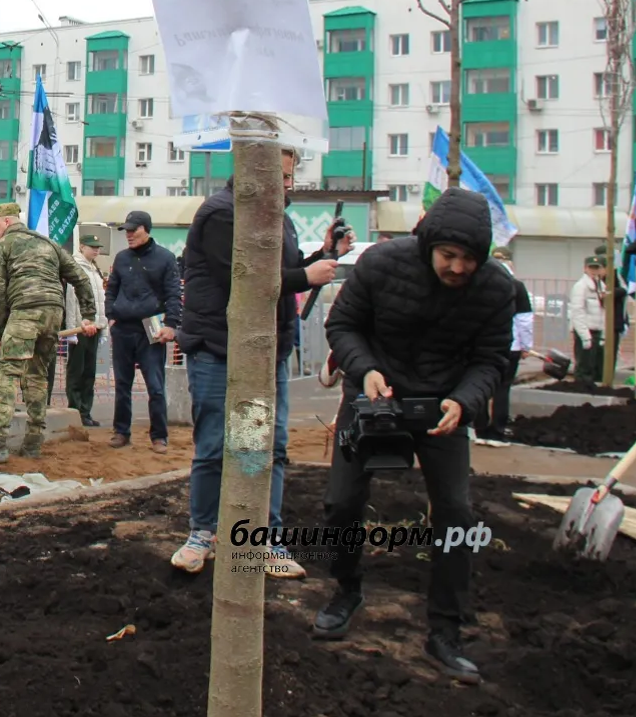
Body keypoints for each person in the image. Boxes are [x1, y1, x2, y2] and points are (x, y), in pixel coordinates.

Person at [313, 188, 514, 684]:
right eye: (449, 255)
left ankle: (446, 629)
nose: (458, 267)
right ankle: (346, 590)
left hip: (443, 408)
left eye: (469, 258)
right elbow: (343, 325)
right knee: (342, 502)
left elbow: (491, 360)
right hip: (374, 396)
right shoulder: (382, 264)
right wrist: (366, 370)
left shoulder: (495, 288)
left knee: (456, 513)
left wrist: (464, 401)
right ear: (428, 244)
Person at [170, 150, 349, 578]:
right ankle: (203, 532)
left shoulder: (278, 217)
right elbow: (244, 277)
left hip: (267, 351)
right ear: (252, 170)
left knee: (263, 447)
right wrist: (304, 277)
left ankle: (260, 537)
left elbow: (282, 273)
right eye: (280, 176)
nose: (288, 185)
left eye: (290, 176)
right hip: (220, 348)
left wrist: (321, 254)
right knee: (216, 445)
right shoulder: (222, 214)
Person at [0, 202, 97, 464]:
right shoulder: (49, 244)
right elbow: (80, 279)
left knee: (5, 376)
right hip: (53, 314)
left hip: (25, 312)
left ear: (6, 221)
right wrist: (89, 315)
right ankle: (33, 443)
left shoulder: (1, 247)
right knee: (37, 376)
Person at [104, 211, 182, 452]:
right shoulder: (121, 258)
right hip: (123, 327)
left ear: (146, 229)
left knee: (155, 385)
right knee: (122, 384)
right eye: (126, 230)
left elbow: (173, 293)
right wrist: (111, 315)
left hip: (152, 326)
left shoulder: (165, 258)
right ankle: (121, 432)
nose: (129, 235)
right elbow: (112, 289)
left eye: (133, 230)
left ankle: (159, 436)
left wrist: (171, 324)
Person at [475, 245, 531, 440]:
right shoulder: (517, 286)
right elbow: (524, 320)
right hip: (510, 345)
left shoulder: (478, 284)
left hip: (481, 344)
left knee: (479, 384)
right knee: (502, 388)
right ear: (510, 263)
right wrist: (526, 345)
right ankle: (497, 431)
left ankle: (480, 429)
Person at [64, 233, 106, 427]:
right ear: (81, 247)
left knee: (89, 371)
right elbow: (71, 300)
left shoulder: (95, 269)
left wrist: (102, 325)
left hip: (94, 327)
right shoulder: (75, 267)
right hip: (81, 327)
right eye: (92, 247)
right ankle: (75, 409)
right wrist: (72, 329)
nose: (96, 250)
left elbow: (101, 300)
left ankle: (85, 411)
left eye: (97, 247)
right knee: (77, 371)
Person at [569, 255, 607, 385]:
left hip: (597, 330)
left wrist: (603, 333)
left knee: (595, 365)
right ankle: (581, 389)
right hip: (585, 331)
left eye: (597, 268)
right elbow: (577, 312)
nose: (594, 271)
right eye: (591, 268)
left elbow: (603, 312)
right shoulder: (581, 286)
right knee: (584, 366)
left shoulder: (601, 286)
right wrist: (585, 336)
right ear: (585, 268)